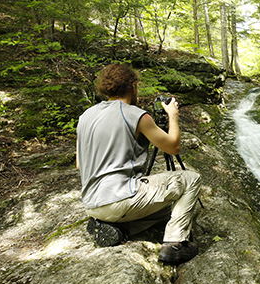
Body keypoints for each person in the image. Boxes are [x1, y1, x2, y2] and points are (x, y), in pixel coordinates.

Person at [76, 63, 201, 265]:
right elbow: (173, 147)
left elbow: (80, 165)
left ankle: (119, 230)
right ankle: (175, 244)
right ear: (133, 86)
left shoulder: (85, 117)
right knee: (191, 179)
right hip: (120, 199)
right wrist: (173, 116)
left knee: (169, 208)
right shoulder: (136, 115)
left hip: (92, 204)